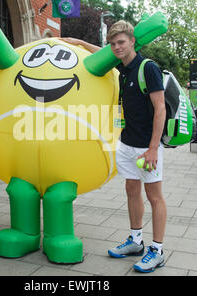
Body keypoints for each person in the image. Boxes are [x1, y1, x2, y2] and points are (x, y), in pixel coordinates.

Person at [61, 20, 167, 273]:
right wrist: (77, 43)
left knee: (154, 196)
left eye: (121, 42)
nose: (116, 47)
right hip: (127, 143)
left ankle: (158, 250)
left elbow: (160, 108)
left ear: (132, 41)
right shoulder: (123, 67)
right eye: (113, 43)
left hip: (146, 147)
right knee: (132, 190)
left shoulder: (147, 68)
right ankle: (136, 241)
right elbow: (101, 53)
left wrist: (153, 148)